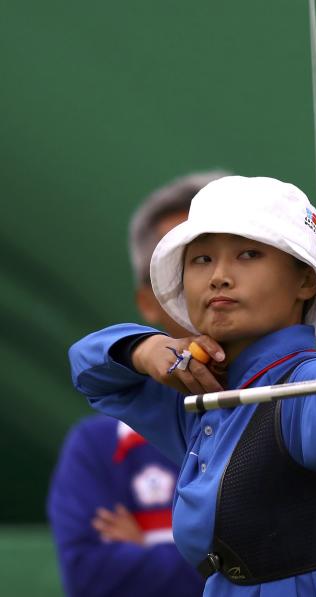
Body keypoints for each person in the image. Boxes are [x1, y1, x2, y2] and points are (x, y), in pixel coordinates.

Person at [68, 175, 316, 595]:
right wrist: (144, 349)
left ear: (305, 281)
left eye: (248, 254)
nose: (219, 276)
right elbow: (90, 371)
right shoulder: (203, 393)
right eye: (200, 260)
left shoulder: (302, 391)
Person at [48, 171, 227, 596]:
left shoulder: (295, 401)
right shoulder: (96, 447)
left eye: (245, 255)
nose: (217, 281)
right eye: (191, 263)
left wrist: (152, 545)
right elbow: (91, 576)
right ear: (148, 300)